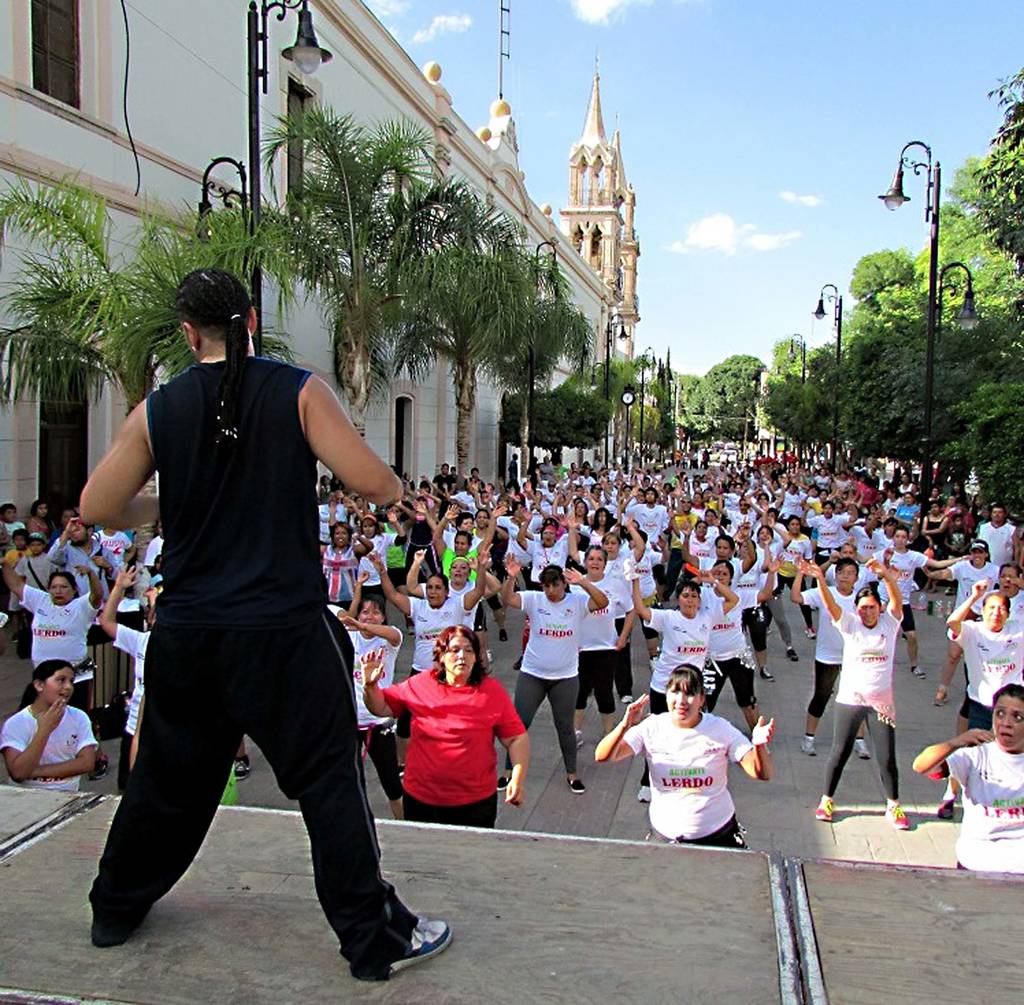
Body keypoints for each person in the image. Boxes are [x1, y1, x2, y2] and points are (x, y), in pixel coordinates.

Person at [79, 268, 448, 980]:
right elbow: (374, 483)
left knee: (165, 782)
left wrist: (168, 504)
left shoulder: (159, 409)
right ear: (251, 319)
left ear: (189, 334)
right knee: (329, 783)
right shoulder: (298, 391)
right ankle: (372, 940)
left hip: (189, 632)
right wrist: (395, 488)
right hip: (282, 633)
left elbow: (98, 506)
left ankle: (114, 908)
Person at [364, 624, 528, 826]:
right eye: (454, 650)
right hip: (422, 801)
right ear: (441, 656)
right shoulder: (419, 684)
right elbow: (380, 707)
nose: (462, 656)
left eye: (469, 651)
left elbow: (516, 738)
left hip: (475, 804)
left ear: (476, 658)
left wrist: (517, 778)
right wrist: (370, 687)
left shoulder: (492, 692)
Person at [595, 666, 774, 848]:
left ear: (701, 699)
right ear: (666, 695)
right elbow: (603, 756)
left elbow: (762, 773)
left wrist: (759, 745)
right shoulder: (651, 727)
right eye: (675, 692)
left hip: (718, 837)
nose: (681, 701)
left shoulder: (721, 729)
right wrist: (624, 725)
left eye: (689, 694)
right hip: (665, 839)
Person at [803, 559, 912, 831]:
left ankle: (894, 804)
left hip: (881, 705)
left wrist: (886, 576)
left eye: (872, 607)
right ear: (856, 609)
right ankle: (827, 800)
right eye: (863, 608)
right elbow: (831, 605)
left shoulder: (890, 624)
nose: (868, 612)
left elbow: (897, 601)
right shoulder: (850, 624)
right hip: (850, 701)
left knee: (886, 756)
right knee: (839, 752)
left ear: (880, 608)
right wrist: (820, 578)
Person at [501, 558, 608, 793]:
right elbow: (507, 599)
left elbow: (602, 602)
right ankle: (508, 771)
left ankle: (572, 774)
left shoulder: (577, 601)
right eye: (546, 586)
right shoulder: (534, 599)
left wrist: (583, 582)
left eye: (555, 585)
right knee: (519, 723)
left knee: (565, 727)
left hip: (565, 677)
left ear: (564, 584)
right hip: (533, 674)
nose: (550, 590)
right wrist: (511, 578)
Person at [913, 683, 1024, 873]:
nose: (1006, 723)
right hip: (976, 863)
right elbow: (921, 765)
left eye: (1018, 717)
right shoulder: (975, 756)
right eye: (1000, 713)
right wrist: (956, 742)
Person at [335, 583, 405, 820]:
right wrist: (355, 595)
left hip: (379, 723)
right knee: (349, 782)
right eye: (365, 612)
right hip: (350, 723)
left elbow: (394, 635)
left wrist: (362, 625)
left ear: (384, 617)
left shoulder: (390, 638)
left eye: (376, 612)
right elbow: (335, 614)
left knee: (392, 783)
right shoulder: (349, 636)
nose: (370, 616)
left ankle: (406, 826)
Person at [792, 557, 872, 760]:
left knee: (858, 698)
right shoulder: (824, 592)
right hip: (827, 656)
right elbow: (796, 597)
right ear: (835, 575)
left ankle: (860, 740)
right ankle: (808, 738)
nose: (845, 576)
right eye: (841, 572)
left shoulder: (862, 599)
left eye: (850, 573)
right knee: (821, 696)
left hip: (854, 656)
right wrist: (801, 572)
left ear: (856, 578)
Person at [1, 659, 97, 791]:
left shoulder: (79, 717)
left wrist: (35, 771)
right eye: (61, 680)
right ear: (39, 685)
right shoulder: (16, 723)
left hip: (68, 794)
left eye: (71, 681)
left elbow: (86, 763)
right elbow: (18, 773)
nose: (68, 687)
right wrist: (44, 730)